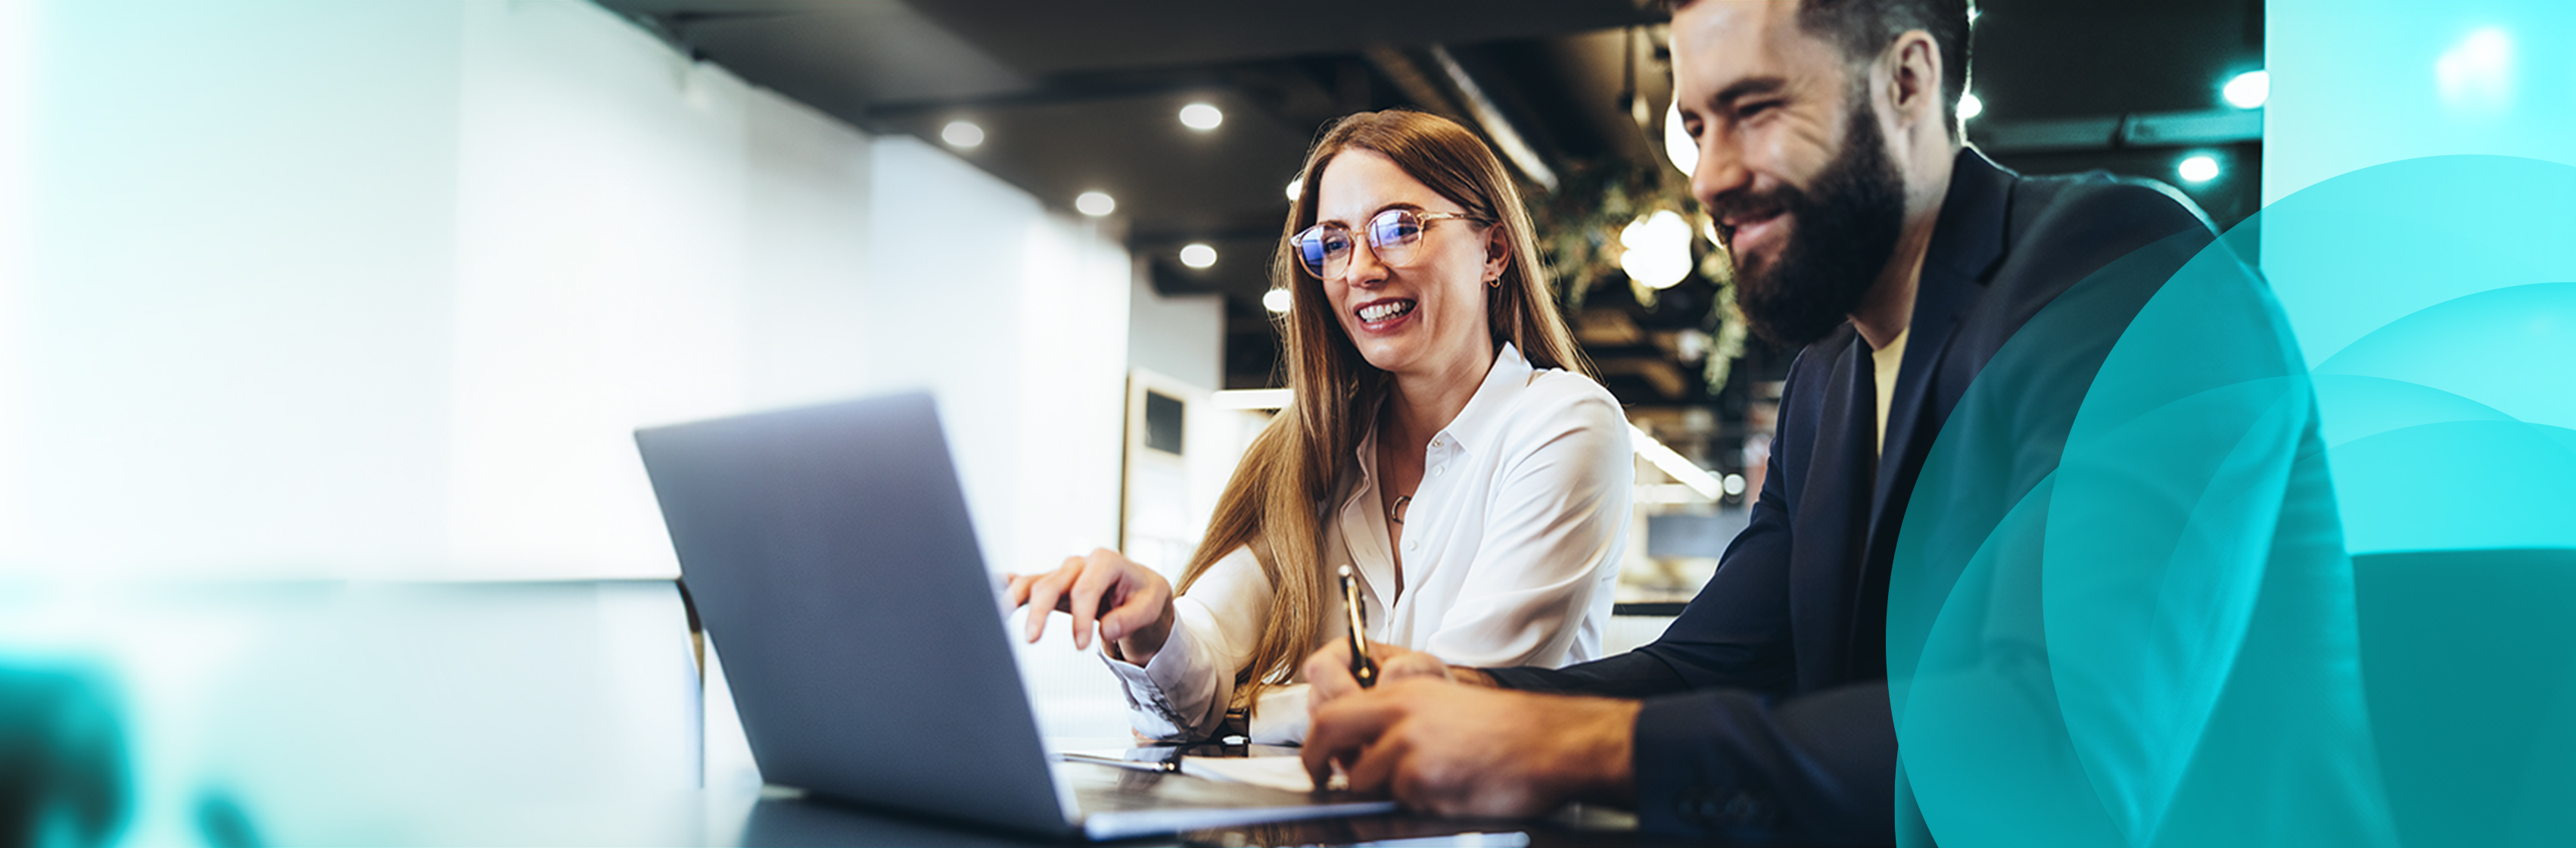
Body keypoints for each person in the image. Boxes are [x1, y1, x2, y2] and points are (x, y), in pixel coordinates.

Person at [1296, 1, 2388, 843]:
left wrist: (1574, 743)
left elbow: (2048, 742)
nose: (1713, 175)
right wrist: (1466, 691)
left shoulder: (2124, 273)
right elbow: (1715, 665)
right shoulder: (1831, 370)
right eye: (1693, 127)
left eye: (1755, 110)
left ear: (1908, 79)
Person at [1005, 110, 1635, 745]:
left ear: (1493, 250)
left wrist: (1245, 714)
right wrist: (1154, 627)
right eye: (1333, 243)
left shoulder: (1566, 424)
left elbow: (1455, 699)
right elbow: (1201, 663)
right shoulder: (1315, 453)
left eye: (1398, 228)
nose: (1360, 269)